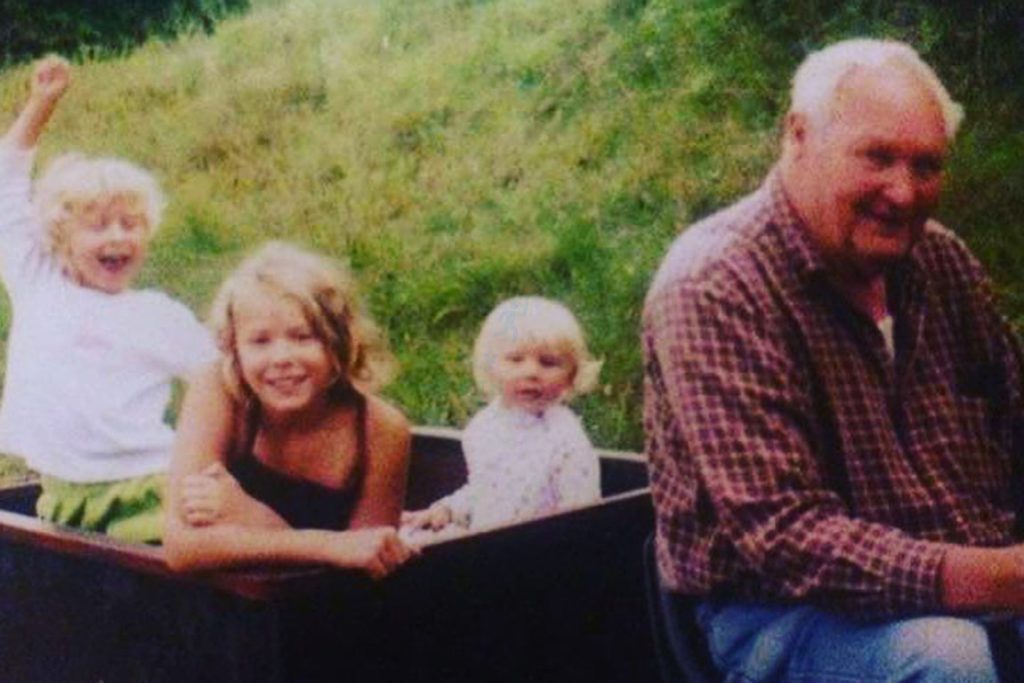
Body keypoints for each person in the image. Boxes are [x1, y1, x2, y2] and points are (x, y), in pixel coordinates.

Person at [643, 38, 1024, 681]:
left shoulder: (942, 261)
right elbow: (786, 539)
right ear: (799, 136)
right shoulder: (713, 285)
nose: (902, 193)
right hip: (784, 614)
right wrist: (1000, 576)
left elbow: (1016, 420)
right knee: (945, 661)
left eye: (926, 166)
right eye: (877, 157)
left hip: (975, 573)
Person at [0, 56, 216, 543]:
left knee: (172, 569)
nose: (117, 236)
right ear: (60, 236)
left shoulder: (157, 316)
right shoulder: (39, 283)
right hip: (60, 495)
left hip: (147, 487)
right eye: (98, 225)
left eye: (131, 224)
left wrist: (210, 464)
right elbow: (3, 182)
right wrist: (41, 103)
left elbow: (222, 382)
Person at [163, 241, 417, 578]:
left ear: (338, 342)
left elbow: (367, 567)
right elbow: (181, 548)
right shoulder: (220, 389)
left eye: (302, 337)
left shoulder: (380, 429)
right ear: (234, 349)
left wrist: (254, 517)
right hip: (221, 607)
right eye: (260, 341)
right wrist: (327, 546)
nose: (281, 358)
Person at [402, 296, 602, 538]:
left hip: (542, 548)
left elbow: (583, 513)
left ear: (571, 376)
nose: (531, 372)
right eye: (516, 359)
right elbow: (486, 489)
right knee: (408, 538)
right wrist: (448, 509)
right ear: (491, 366)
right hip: (487, 543)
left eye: (548, 363)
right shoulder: (486, 425)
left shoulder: (564, 438)